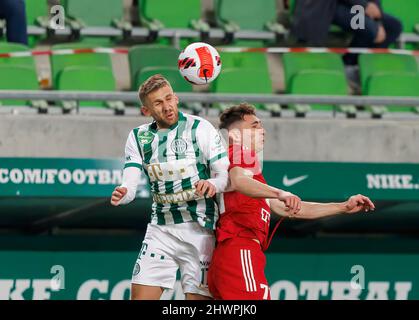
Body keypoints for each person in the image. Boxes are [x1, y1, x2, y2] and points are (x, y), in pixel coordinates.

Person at [207, 103, 375, 300]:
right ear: (235, 135)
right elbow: (240, 181)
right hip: (240, 249)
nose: (262, 130)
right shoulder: (240, 152)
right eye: (254, 126)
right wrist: (281, 192)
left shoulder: (252, 176)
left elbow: (293, 209)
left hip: (233, 254)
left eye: (261, 125)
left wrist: (343, 207)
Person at [110, 74, 232, 300]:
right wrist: (124, 193)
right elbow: (130, 182)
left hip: (200, 231)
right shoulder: (139, 137)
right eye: (158, 103)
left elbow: (226, 175)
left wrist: (213, 183)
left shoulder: (200, 128)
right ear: (146, 111)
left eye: (168, 98)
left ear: (176, 98)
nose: (166, 107)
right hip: (160, 230)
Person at [291, 0, 402, 64]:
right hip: (328, 5)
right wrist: (365, 6)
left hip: (355, 5)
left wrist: (378, 20)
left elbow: (374, 4)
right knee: (369, 28)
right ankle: (349, 64)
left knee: (394, 26)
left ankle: (365, 65)